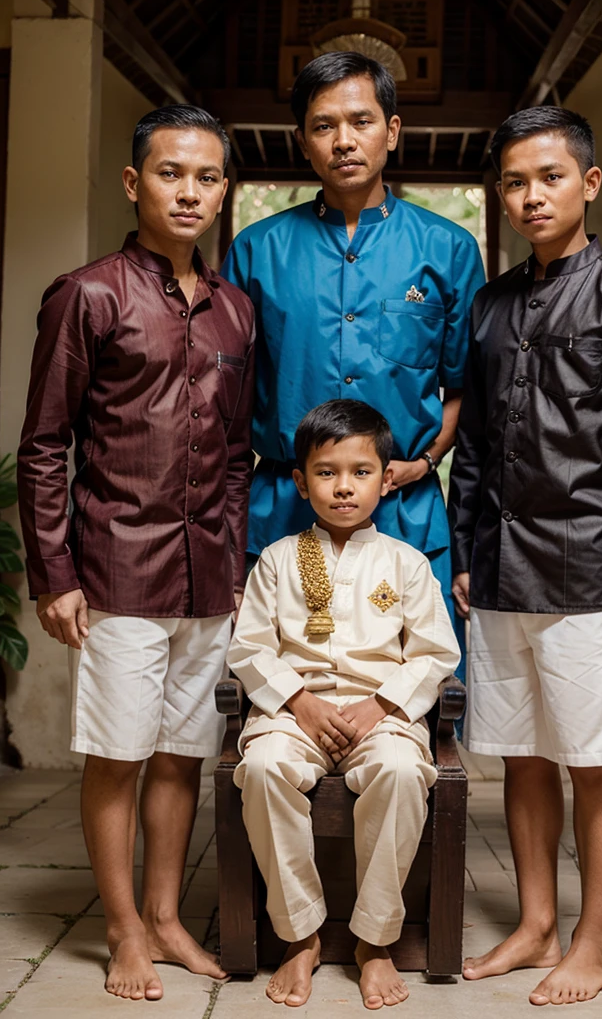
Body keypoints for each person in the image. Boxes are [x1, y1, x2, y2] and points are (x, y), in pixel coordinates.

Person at [17, 105, 255, 1001]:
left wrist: (231, 564)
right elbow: (45, 444)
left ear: (224, 188)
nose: (188, 191)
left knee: (181, 755)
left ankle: (163, 918)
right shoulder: (88, 294)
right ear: (134, 182)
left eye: (205, 176)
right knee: (118, 754)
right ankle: (120, 931)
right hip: (116, 571)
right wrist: (56, 574)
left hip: (206, 579)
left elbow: (236, 455)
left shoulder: (236, 310)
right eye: (169, 173)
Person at [448, 106, 602, 1006]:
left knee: (594, 757)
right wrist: (466, 549)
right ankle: (536, 924)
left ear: (589, 183)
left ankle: (593, 938)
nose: (529, 195)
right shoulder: (493, 302)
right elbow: (472, 445)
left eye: (548, 177)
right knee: (522, 755)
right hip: (499, 566)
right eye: (513, 181)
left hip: (591, 575)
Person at [221, 51, 485, 656]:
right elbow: (227, 399)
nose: (344, 140)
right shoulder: (256, 250)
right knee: (285, 685)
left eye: (361, 121)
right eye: (324, 125)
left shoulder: (447, 248)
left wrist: (423, 462)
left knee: (409, 686)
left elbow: (466, 385)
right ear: (303, 142)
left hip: (402, 509)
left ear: (391, 131)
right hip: (285, 510)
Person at [228, 399, 460, 1009]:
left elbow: (435, 654)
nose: (344, 487)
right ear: (301, 483)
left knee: (403, 771)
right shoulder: (277, 562)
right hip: (292, 712)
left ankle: (374, 940)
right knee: (262, 768)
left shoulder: (406, 565)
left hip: (380, 716)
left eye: (361, 472)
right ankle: (300, 933)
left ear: (386, 479)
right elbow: (250, 649)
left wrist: (381, 706)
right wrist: (298, 702)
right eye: (327, 473)